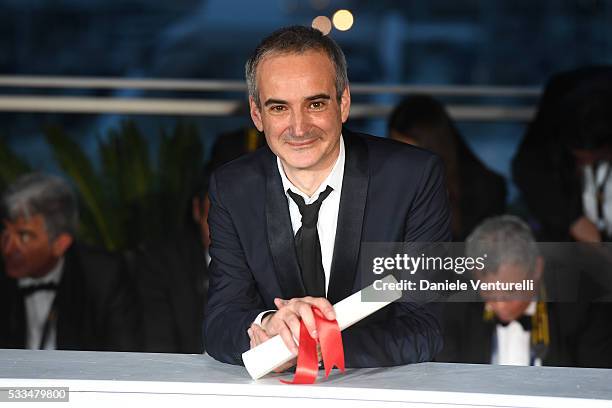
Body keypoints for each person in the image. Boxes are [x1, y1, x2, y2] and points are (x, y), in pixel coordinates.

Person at [204, 26, 451, 368]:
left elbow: (425, 326)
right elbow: (220, 320)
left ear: (344, 103)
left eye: (315, 104)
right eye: (279, 108)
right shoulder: (232, 188)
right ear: (257, 114)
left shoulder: (412, 178)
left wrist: (317, 348)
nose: (299, 128)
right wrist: (266, 327)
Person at [436, 215, 612, 367]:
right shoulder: (456, 309)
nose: (499, 305)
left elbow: (597, 386)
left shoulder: (582, 309)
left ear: (536, 268)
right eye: (488, 291)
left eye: (511, 291)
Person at [0, 173, 141, 351]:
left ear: (60, 243)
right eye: (5, 232)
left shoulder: (102, 277)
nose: (7, 248)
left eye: (24, 236)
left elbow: (123, 359)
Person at [512, 66, 612, 242]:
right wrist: (572, 219)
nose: (585, 163)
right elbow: (527, 168)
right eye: (580, 158)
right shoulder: (546, 149)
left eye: (592, 156)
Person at [388, 95, 506, 241]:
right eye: (395, 150)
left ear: (434, 148)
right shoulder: (389, 186)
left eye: (410, 153)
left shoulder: (485, 189)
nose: (402, 162)